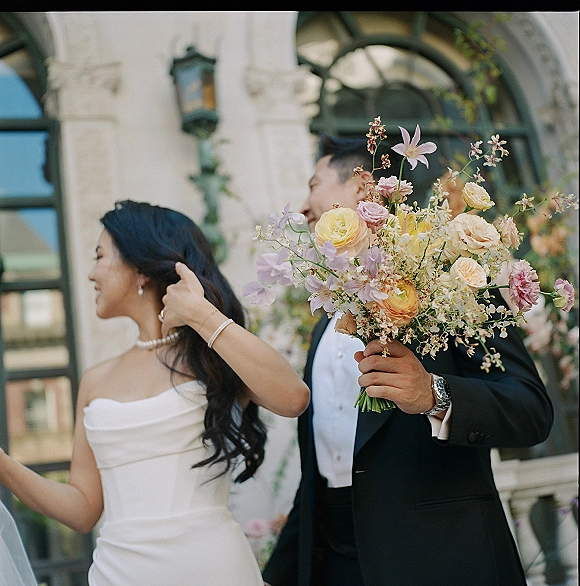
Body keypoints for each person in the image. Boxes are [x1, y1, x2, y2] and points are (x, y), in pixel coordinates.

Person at [262, 134, 554, 586]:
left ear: (361, 186)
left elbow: (531, 410)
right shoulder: (327, 317)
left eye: (313, 184)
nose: (304, 206)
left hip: (442, 560)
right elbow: (326, 462)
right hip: (337, 567)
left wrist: (435, 394)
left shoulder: (452, 277)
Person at [0, 200, 310, 586]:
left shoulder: (214, 356)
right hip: (120, 575)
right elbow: (82, 509)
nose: (91, 273)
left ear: (140, 267)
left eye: (100, 256)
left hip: (215, 570)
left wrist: (201, 315)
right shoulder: (96, 380)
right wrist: (4, 465)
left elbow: (293, 398)